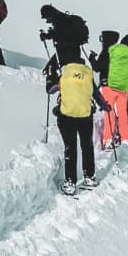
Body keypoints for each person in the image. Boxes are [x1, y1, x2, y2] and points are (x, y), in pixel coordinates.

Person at [48, 60, 110, 195]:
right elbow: (97, 95)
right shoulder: (87, 75)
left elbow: (51, 89)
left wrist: (50, 76)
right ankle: (89, 178)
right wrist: (105, 106)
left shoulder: (65, 75)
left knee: (70, 147)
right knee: (87, 146)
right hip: (85, 117)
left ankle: (70, 183)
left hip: (66, 117)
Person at [88, 30, 128, 149]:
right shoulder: (119, 53)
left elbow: (97, 68)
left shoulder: (106, 52)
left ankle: (108, 139)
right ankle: (125, 138)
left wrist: (92, 58)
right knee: (123, 113)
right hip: (123, 87)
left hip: (108, 87)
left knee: (109, 112)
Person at [39, 4, 90, 88]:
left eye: (47, 18)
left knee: (51, 67)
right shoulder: (64, 19)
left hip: (65, 51)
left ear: (50, 14)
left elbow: (60, 34)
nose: (47, 20)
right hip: (73, 50)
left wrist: (47, 35)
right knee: (71, 68)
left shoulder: (60, 21)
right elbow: (60, 33)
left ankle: (54, 84)